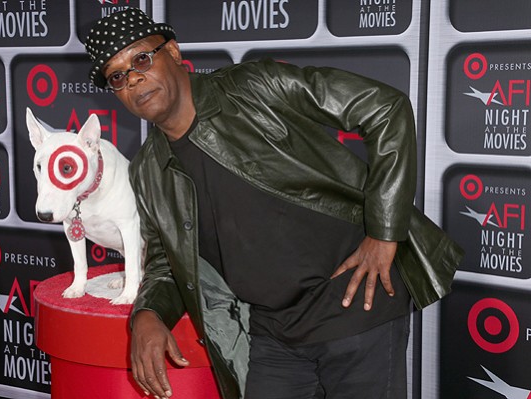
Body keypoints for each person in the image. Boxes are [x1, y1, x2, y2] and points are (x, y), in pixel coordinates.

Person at [84, 8, 463, 399]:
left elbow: (385, 108)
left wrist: (385, 233)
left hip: (354, 307)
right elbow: (167, 258)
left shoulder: (252, 87)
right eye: (118, 76)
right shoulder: (149, 169)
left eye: (142, 59)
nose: (134, 79)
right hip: (272, 333)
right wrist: (149, 312)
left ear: (175, 52)